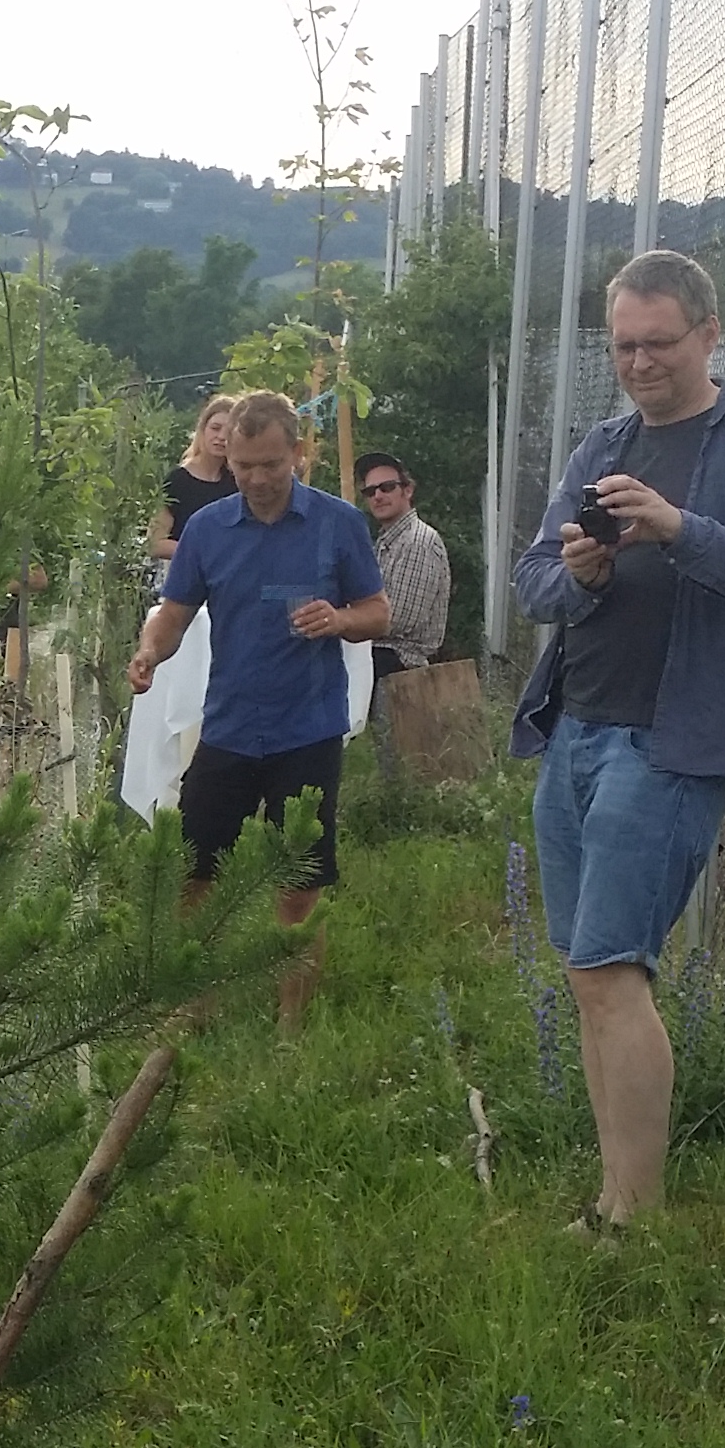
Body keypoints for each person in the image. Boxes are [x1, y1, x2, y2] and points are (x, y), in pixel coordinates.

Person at [510, 249, 725, 1231]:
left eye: (659, 344)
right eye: (624, 346)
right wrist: (587, 577)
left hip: (676, 739)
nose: (641, 364)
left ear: (708, 333)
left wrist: (680, 530)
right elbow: (537, 583)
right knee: (589, 972)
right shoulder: (601, 443)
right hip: (578, 727)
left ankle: (633, 1218)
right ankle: (615, 1201)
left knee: (610, 966)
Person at [128, 391, 388, 1028]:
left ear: (297, 454)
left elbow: (378, 613)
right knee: (194, 873)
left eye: (271, 464)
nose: (258, 479)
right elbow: (175, 613)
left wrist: (339, 618)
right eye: (244, 466)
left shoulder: (338, 524)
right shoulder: (209, 531)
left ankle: (290, 1028)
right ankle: (195, 1010)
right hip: (231, 727)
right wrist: (149, 653)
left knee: (298, 883)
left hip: (308, 728)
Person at [354, 449, 453, 673]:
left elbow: (395, 619)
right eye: (370, 491)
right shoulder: (384, 542)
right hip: (375, 656)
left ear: (407, 490)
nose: (377, 496)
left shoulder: (418, 541)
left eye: (387, 487)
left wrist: (342, 618)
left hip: (399, 666)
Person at [147, 393, 242, 565]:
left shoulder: (238, 481)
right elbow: (155, 543)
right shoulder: (178, 481)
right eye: (215, 428)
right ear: (202, 430)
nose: (221, 437)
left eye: (229, 432)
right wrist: (202, 552)